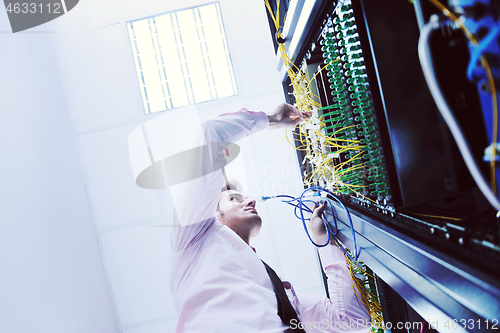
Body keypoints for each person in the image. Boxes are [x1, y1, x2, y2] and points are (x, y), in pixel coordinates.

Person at [169, 103, 370, 332]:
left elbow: (352, 321)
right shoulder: (192, 237)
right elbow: (210, 133)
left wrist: (324, 243)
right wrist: (272, 119)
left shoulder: (277, 291)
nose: (250, 201)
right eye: (234, 199)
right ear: (212, 213)